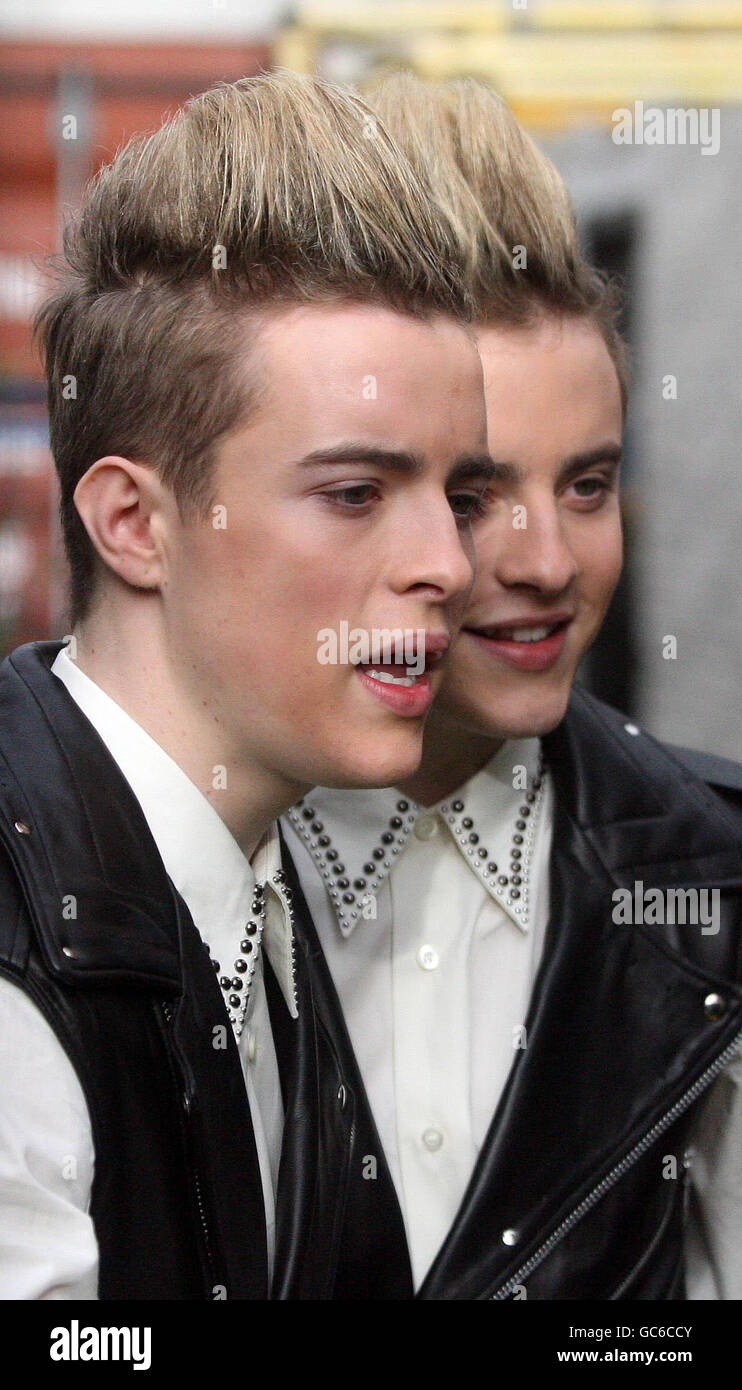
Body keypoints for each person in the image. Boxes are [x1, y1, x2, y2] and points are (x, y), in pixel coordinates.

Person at [0, 71, 494, 1299]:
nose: (448, 565)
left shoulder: (252, 876)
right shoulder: (23, 963)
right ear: (134, 523)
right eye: (355, 493)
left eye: (458, 496)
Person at [281, 73, 742, 1300]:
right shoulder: (159, 863)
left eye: (587, 485)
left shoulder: (714, 886)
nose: (547, 563)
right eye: (474, 495)